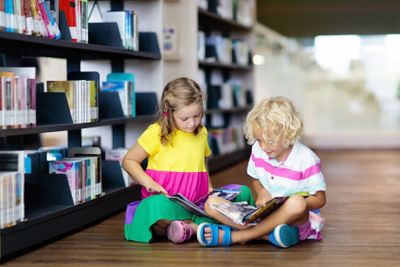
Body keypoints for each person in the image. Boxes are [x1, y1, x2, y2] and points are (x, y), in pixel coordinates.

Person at [122, 77, 254, 244]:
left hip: (199, 203)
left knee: (243, 192)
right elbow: (129, 160)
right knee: (154, 207)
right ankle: (198, 227)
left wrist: (209, 186)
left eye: (197, 116)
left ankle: (187, 227)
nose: (192, 123)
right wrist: (148, 182)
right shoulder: (156, 133)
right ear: (168, 112)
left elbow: (202, 163)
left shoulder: (202, 133)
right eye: (185, 119)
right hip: (169, 202)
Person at [197, 96, 327, 248]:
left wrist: (289, 202)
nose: (264, 147)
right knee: (211, 203)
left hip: (296, 219)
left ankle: (239, 236)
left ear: (288, 133)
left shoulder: (305, 158)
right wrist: (262, 192)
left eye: (270, 141)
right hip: (263, 215)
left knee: (297, 203)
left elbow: (320, 199)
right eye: (259, 140)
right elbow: (255, 180)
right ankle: (268, 235)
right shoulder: (258, 150)